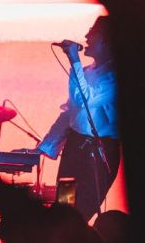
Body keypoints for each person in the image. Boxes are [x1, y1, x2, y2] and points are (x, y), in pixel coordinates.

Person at [35, 15, 120, 222]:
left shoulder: (115, 77)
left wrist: (74, 59)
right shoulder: (85, 72)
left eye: (92, 32)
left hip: (98, 154)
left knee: (80, 214)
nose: (86, 36)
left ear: (106, 41)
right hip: (74, 149)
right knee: (64, 208)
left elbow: (85, 99)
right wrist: (45, 147)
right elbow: (70, 114)